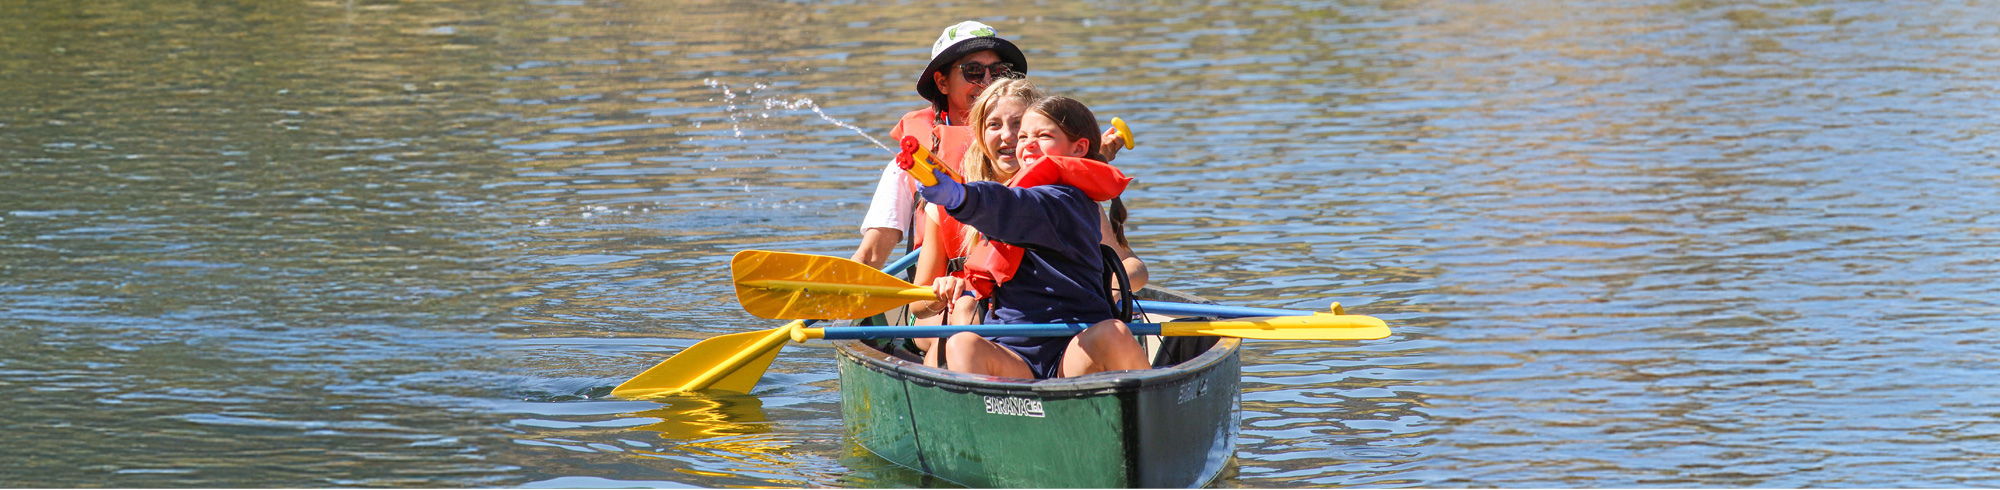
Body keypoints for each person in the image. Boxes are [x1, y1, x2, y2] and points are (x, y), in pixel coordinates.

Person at [905, 79, 1152, 366]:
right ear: (981, 136)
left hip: (1072, 338)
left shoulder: (1066, 199)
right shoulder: (951, 202)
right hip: (1002, 337)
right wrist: (941, 291)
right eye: (995, 125)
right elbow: (918, 306)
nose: (1012, 138)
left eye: (1022, 128)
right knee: (963, 320)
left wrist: (1101, 289)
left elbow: (1018, 208)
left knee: (1114, 332)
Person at [851, 21, 1127, 270]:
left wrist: (1089, 161)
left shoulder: (1036, 151)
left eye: (998, 71)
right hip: (948, 300)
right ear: (942, 82)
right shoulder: (912, 163)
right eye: (972, 71)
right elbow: (871, 255)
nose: (987, 82)